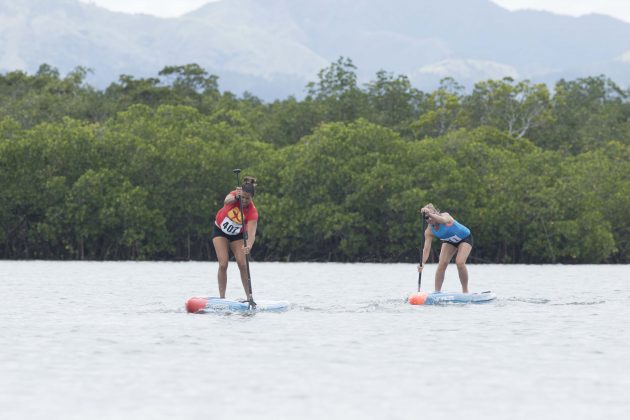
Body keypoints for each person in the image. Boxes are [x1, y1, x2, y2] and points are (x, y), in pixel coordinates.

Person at [211, 177, 258, 301]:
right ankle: (222, 298)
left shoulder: (252, 211)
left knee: (242, 264)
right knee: (223, 264)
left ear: (252, 198)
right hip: (220, 230)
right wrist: (236, 197)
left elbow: (252, 234)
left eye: (247, 198)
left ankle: (249, 298)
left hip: (237, 236)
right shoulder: (235, 195)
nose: (244, 200)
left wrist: (249, 246)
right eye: (242, 197)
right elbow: (226, 201)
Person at [417, 203, 472, 293]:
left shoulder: (445, 216)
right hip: (449, 241)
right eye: (426, 218)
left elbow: (443, 220)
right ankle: (437, 292)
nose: (429, 219)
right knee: (442, 264)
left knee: (460, 262)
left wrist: (429, 213)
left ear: (436, 213)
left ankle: (465, 291)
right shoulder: (429, 231)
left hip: (465, 238)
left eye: (432, 215)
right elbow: (426, 249)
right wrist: (422, 263)